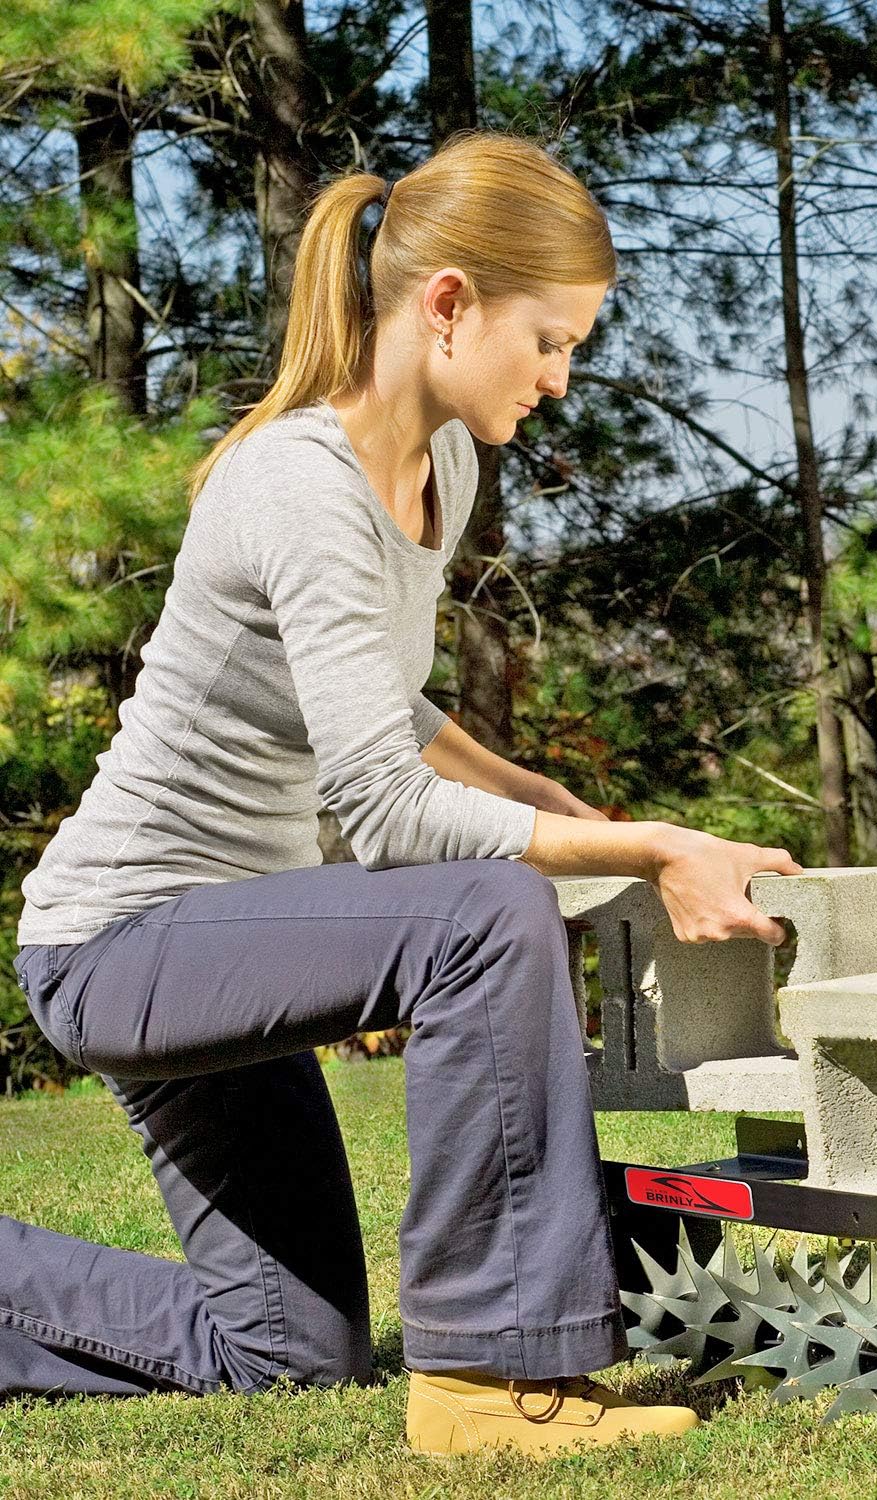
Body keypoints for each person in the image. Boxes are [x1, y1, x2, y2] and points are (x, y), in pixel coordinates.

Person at [5, 131, 802, 1460]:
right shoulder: (298, 487)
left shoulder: (447, 468)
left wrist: (544, 792)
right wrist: (645, 841)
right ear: (447, 307)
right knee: (484, 912)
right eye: (547, 341)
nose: (560, 379)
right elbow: (379, 809)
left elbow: (392, 714)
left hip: (232, 941)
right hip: (119, 943)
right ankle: (489, 1382)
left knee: (285, 1357)